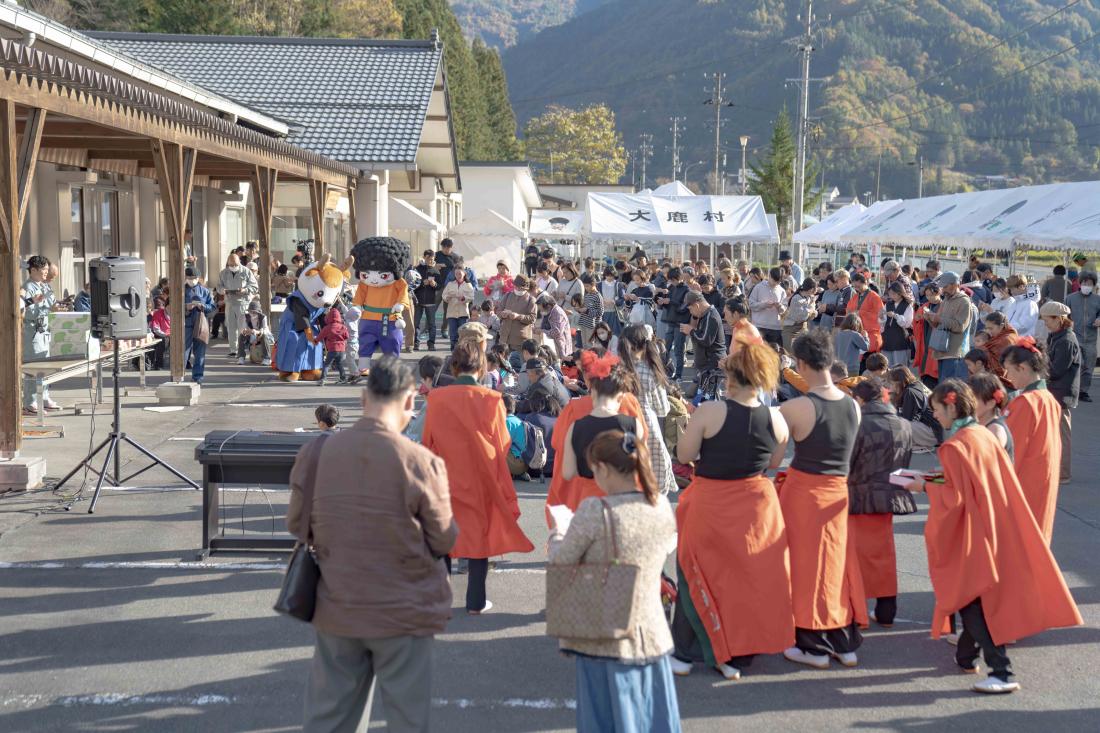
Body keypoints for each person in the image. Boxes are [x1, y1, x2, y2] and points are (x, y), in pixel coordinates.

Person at [289, 357, 457, 732]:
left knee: (331, 719)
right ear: (411, 403)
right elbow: (444, 538)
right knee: (408, 720)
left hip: (338, 603)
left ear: (364, 399)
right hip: (405, 609)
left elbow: (297, 527)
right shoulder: (421, 462)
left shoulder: (316, 454)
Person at [906, 380, 1082, 694]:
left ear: (951, 406)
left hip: (972, 531)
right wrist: (932, 479)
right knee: (973, 599)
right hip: (993, 524)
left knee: (970, 599)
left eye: (936, 409)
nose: (935, 416)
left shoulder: (957, 444)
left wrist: (922, 485)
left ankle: (1002, 671)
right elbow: (972, 480)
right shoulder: (982, 435)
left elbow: (955, 495)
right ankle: (966, 656)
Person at [671, 340, 793, 680]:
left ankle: (687, 651)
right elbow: (773, 462)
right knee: (748, 580)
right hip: (756, 505)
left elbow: (684, 455)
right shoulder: (777, 418)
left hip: (711, 502)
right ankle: (741, 649)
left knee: (698, 574)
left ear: (731, 379)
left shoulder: (711, 411)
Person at [548, 429, 681, 733]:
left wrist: (557, 532)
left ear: (604, 469)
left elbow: (561, 561)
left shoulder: (595, 510)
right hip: (652, 634)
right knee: (653, 719)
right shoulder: (660, 505)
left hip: (604, 635)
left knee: (606, 718)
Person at [422, 342, 534, 613]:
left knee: (444, 536)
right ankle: (475, 602)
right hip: (481, 476)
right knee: (478, 537)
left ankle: (442, 601)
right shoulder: (493, 400)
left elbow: (428, 441)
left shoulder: (436, 399)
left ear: (454, 366)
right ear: (482, 367)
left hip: (446, 474)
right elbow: (503, 442)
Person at [777, 329, 866, 669]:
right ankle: (842, 640)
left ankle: (813, 645)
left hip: (805, 493)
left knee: (804, 569)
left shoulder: (796, 406)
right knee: (835, 567)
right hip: (838, 493)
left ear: (800, 363)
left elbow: (772, 457)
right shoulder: (853, 406)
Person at [847, 378, 913, 629]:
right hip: (891, 494)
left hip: (859, 495)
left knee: (856, 556)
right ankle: (887, 609)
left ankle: (856, 609)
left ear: (860, 400)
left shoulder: (858, 424)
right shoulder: (904, 425)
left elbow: (848, 462)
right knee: (884, 555)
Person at [557, 351, 644, 513]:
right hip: (623, 499)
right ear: (620, 395)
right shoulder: (633, 425)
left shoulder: (576, 427)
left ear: (593, 390)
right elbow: (641, 465)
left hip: (588, 500)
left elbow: (568, 473)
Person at [1001, 338, 1064, 543]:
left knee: (1017, 548)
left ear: (1023, 367)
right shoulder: (1048, 399)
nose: (1007, 377)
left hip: (1022, 486)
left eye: (1009, 370)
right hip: (1043, 482)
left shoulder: (1024, 403)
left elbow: (1010, 453)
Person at [618, 324, 677, 496]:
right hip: (646, 423)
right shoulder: (649, 371)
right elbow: (662, 409)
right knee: (654, 475)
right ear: (645, 344)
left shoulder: (617, 369)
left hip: (620, 423)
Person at [1040, 302, 1080, 483]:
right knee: (1053, 434)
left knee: (1062, 436)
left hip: (1062, 394)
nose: (1045, 323)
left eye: (1047, 320)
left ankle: (1063, 473)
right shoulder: (1057, 336)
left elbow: (1056, 370)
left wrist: (1038, 369)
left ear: (1059, 319)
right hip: (1055, 391)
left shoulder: (1066, 341)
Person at [20, 255, 60, 414]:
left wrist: (57, 308)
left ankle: (44, 396)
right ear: (33, 270)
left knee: (45, 366)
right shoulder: (27, 287)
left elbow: (50, 304)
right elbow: (22, 310)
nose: (46, 272)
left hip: (45, 330)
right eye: (43, 270)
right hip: (32, 331)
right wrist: (33, 302)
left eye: (46, 269)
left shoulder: (43, 285)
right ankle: (29, 401)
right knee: (33, 367)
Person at [922, 272, 972, 381]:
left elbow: (960, 326)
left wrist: (938, 318)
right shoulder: (946, 300)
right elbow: (938, 324)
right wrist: (930, 318)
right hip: (942, 351)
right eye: (942, 287)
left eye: (946, 287)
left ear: (956, 285)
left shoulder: (964, 301)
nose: (943, 290)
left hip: (955, 354)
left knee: (950, 390)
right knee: (944, 389)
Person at [887, 366, 942, 452]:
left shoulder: (910, 392)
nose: (890, 385)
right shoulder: (916, 384)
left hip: (933, 432)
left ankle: (920, 445)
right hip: (937, 429)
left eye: (891, 383)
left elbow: (905, 419)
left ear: (899, 382)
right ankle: (916, 444)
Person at [1066, 272, 1100, 401]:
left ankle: (1083, 391)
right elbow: (1064, 316)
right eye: (1085, 283)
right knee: (1075, 365)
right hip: (1074, 338)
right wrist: (1068, 326)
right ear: (1080, 283)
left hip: (1091, 339)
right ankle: (1071, 389)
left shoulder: (1097, 300)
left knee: (1089, 367)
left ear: (1093, 285)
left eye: (1090, 284)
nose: (1087, 285)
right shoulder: (1070, 298)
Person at [217, 253, 258, 359]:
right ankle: (233, 350)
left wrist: (245, 290)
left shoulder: (246, 271)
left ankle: (243, 349)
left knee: (243, 327)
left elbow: (254, 286)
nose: (233, 266)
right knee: (230, 327)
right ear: (228, 263)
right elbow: (219, 286)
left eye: (235, 264)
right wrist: (223, 291)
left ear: (239, 262)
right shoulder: (223, 273)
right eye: (231, 264)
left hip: (242, 303)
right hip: (229, 303)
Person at [183, 266, 215, 386]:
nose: (191, 280)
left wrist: (203, 306)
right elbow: (172, 307)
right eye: (189, 278)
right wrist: (186, 307)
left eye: (194, 278)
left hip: (200, 324)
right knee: (183, 351)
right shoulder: (180, 291)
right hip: (185, 324)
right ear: (185, 278)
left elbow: (212, 307)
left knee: (200, 352)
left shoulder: (205, 291)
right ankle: (179, 375)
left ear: (198, 278)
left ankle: (197, 377)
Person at [968, 373, 1013, 459]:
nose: (968, 404)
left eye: (972, 400)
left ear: (990, 403)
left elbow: (987, 464)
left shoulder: (995, 430)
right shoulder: (981, 425)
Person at [499, 275, 538, 356]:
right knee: (503, 363)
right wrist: (503, 314)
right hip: (504, 337)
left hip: (520, 340)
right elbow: (498, 311)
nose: (517, 289)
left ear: (525, 288)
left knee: (519, 364)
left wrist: (518, 316)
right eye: (515, 286)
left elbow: (532, 318)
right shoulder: (508, 295)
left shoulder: (531, 300)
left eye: (520, 287)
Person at [846, 272, 884, 353]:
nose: (856, 289)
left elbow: (881, 316)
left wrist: (861, 313)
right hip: (858, 334)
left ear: (865, 283)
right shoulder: (855, 297)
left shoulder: (874, 297)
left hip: (871, 334)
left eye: (858, 286)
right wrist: (852, 313)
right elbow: (848, 310)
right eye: (855, 287)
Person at [748, 267, 786, 348]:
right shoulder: (758, 287)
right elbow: (751, 304)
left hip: (775, 328)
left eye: (778, 282)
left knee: (774, 355)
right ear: (769, 276)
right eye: (774, 280)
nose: (775, 283)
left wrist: (780, 307)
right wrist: (764, 305)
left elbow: (784, 309)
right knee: (758, 353)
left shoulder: (782, 291)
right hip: (760, 326)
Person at [981, 312, 1019, 388]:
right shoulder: (998, 336)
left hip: (1005, 384)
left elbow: (1001, 368)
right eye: (986, 328)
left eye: (991, 328)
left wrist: (984, 351)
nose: (988, 331)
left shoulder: (1007, 340)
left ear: (1001, 326)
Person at [414, 250, 442, 351]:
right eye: (429, 259)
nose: (431, 261)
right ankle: (416, 343)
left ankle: (431, 344)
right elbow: (412, 284)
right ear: (424, 257)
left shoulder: (435, 271)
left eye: (432, 259)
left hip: (431, 301)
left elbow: (439, 286)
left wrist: (434, 284)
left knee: (432, 324)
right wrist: (422, 283)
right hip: (418, 300)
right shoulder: (417, 269)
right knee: (416, 323)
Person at [882, 281, 914, 367]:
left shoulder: (907, 305)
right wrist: (881, 316)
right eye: (890, 294)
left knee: (900, 367)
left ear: (900, 293)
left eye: (893, 294)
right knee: (887, 366)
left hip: (900, 339)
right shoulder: (888, 304)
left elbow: (907, 324)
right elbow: (883, 322)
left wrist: (896, 316)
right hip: (887, 338)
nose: (891, 296)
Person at [441, 267, 475, 350]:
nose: (458, 275)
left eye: (460, 273)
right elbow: (444, 295)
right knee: (453, 335)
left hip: (463, 313)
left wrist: (463, 298)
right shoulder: (450, 284)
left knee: (463, 334)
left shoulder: (468, 285)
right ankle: (453, 352)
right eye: (456, 274)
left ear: (464, 274)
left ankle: (463, 352)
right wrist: (447, 297)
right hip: (452, 313)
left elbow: (471, 297)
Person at [781, 278, 818, 352]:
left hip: (803, 328)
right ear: (811, 289)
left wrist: (814, 312)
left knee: (803, 354)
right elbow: (801, 317)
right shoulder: (796, 298)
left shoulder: (809, 297)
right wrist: (811, 309)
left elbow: (810, 316)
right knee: (790, 354)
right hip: (790, 329)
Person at [318, 308, 350, 385]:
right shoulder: (343, 327)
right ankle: (343, 378)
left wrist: (315, 340)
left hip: (332, 349)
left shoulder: (328, 327)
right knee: (339, 364)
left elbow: (321, 336)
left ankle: (322, 379)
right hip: (341, 349)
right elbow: (347, 336)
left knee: (326, 365)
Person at [237, 299, 273, 366]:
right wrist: (245, 331)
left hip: (261, 335)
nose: (253, 313)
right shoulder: (246, 316)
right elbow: (243, 328)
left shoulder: (263, 317)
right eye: (251, 311)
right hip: (251, 335)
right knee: (241, 336)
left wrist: (257, 332)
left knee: (264, 336)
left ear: (259, 312)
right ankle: (241, 357)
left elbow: (265, 329)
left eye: (255, 312)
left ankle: (267, 358)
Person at [577, 273, 604, 347]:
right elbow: (584, 307)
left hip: (592, 325)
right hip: (583, 323)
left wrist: (587, 311)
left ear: (593, 285)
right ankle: (586, 358)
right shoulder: (587, 295)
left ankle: (590, 358)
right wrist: (579, 309)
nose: (586, 288)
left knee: (590, 345)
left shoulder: (598, 296)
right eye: (585, 286)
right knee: (584, 344)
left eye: (587, 286)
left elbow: (600, 312)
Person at [148, 297, 170, 371]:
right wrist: (166, 335)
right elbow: (156, 328)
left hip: (172, 335)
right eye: (169, 307)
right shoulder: (158, 313)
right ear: (166, 305)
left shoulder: (176, 314)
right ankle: (158, 364)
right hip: (160, 335)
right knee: (162, 342)